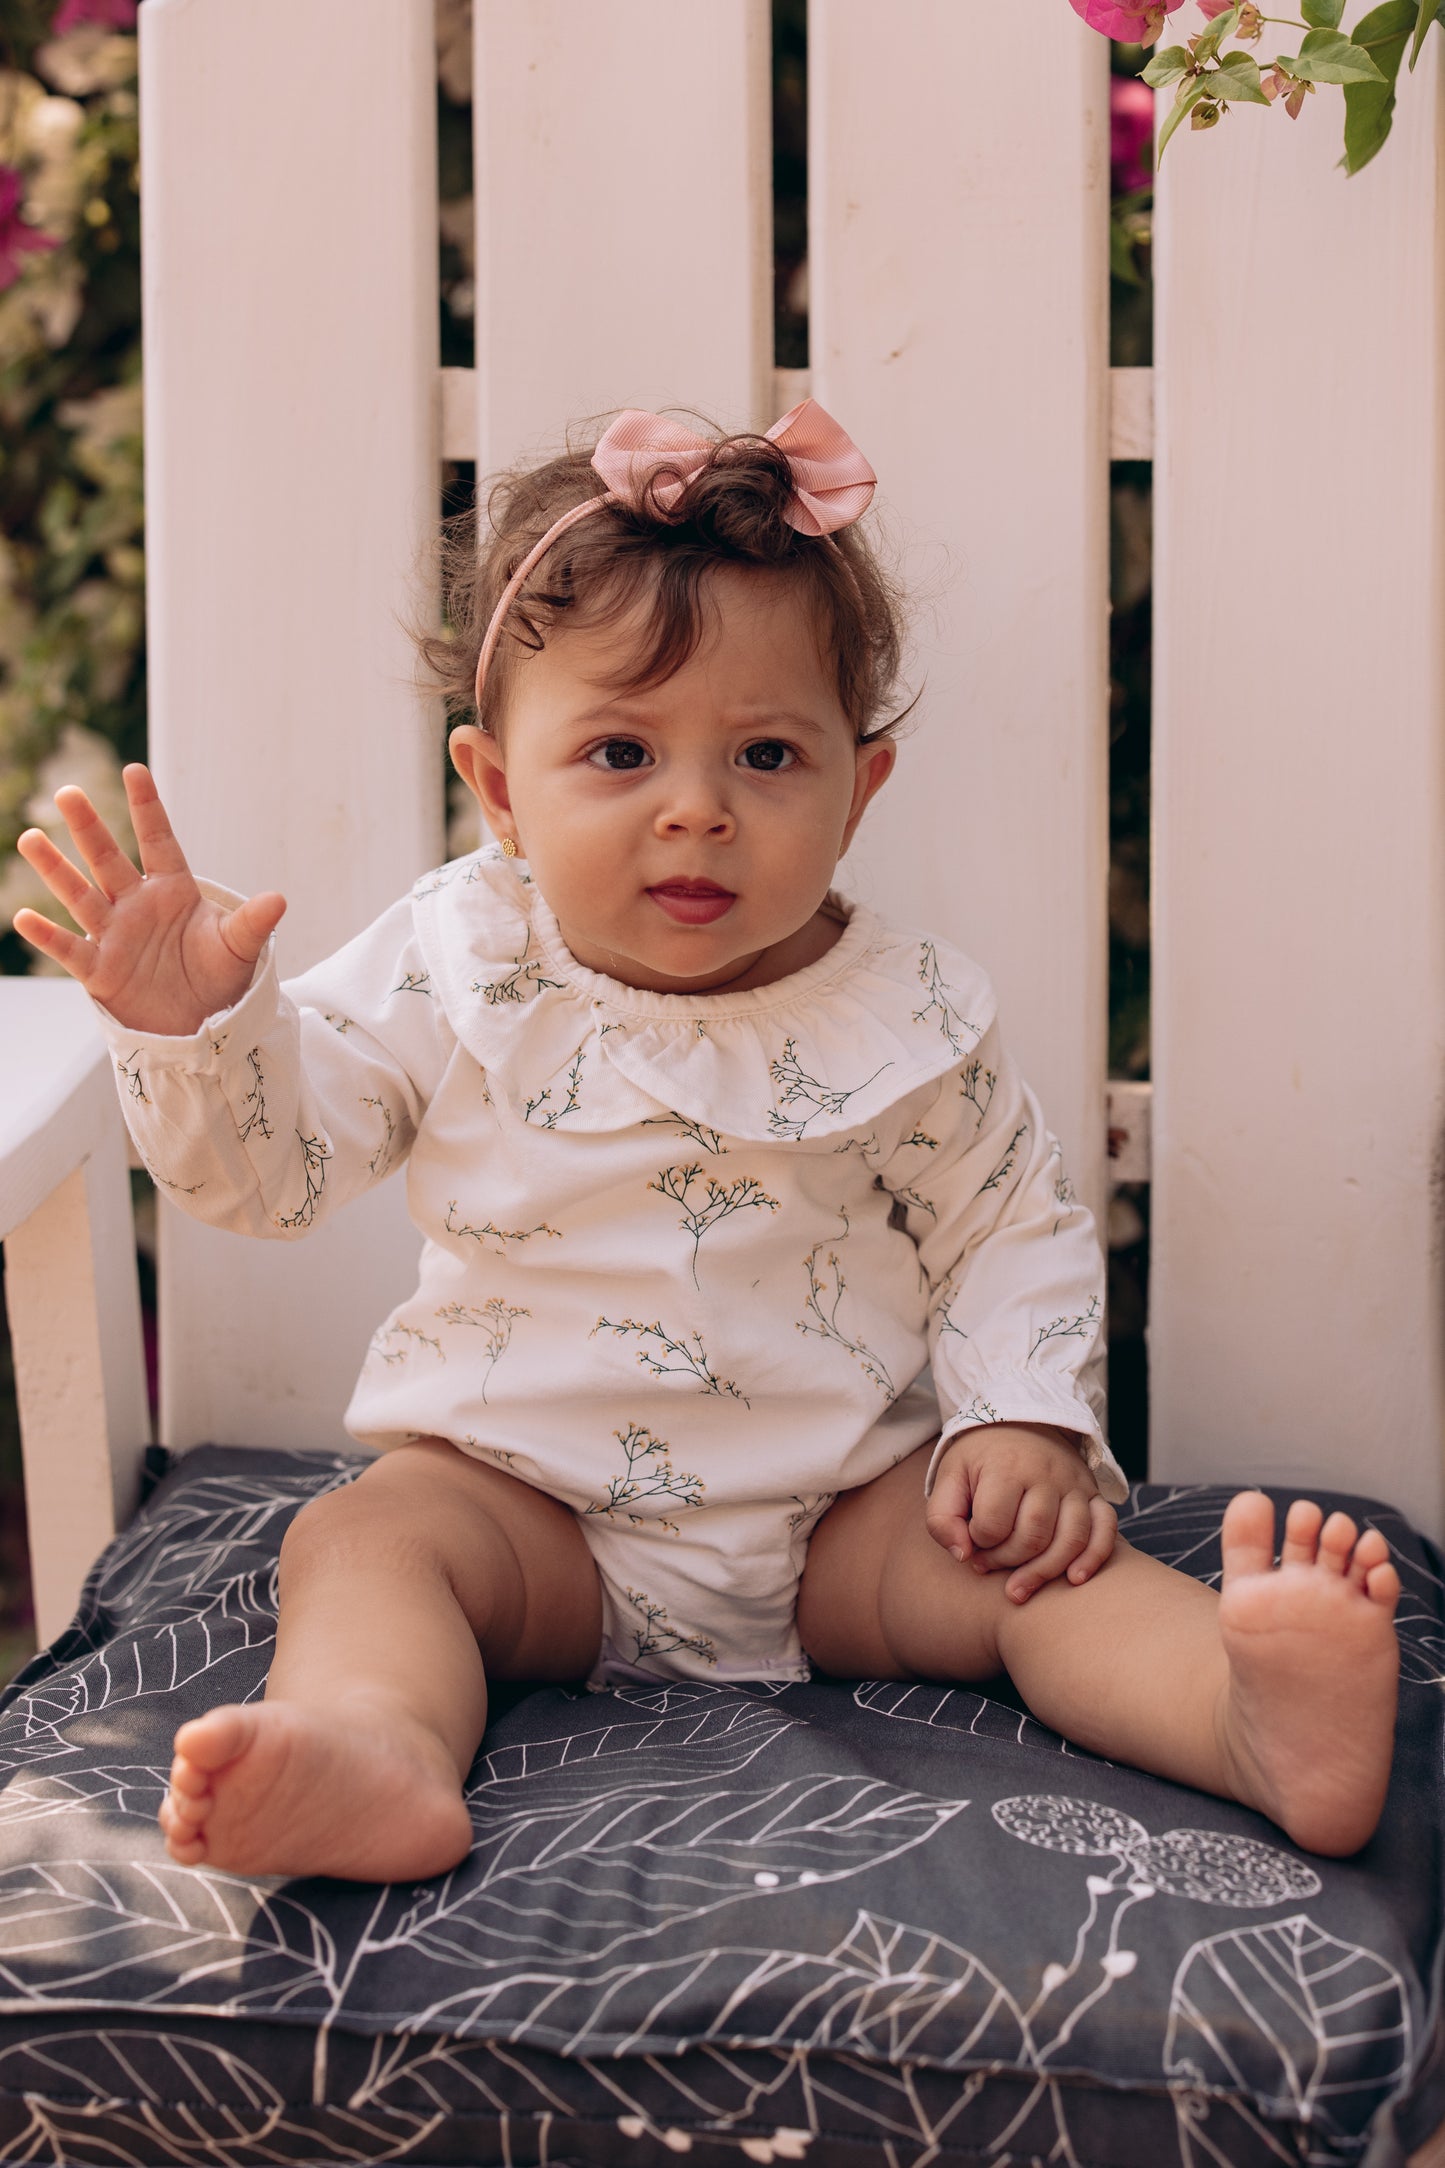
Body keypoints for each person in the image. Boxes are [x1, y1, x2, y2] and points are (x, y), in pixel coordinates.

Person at [12, 402, 1401, 1884]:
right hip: (520, 1505)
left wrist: (1018, 1420)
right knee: (361, 1544)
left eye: (763, 755)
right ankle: (373, 1745)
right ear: (497, 789)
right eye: (618, 751)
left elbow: (1009, 1224)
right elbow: (282, 1172)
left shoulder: (905, 1010)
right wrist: (202, 1033)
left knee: (1033, 1572)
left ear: (855, 791)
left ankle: (1243, 1710)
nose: (696, 812)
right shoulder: (457, 957)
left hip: (839, 1520)